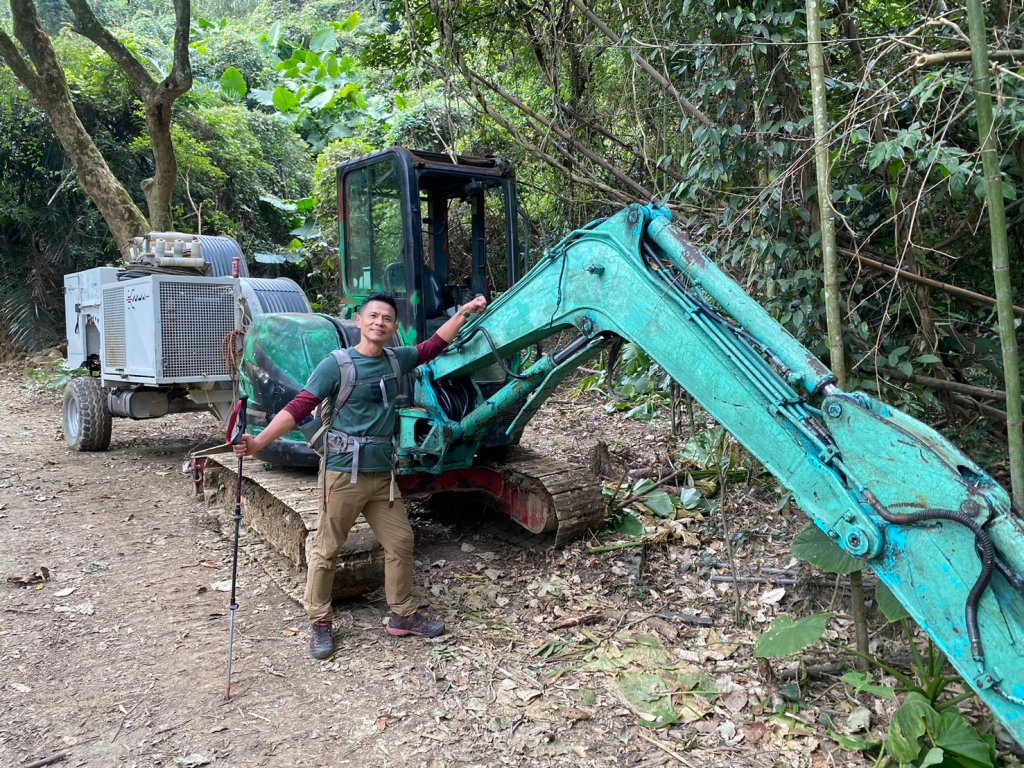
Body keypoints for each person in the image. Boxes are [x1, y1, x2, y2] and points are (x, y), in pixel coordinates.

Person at [233, 292, 487, 659]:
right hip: (341, 475)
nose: (379, 322)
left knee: (400, 543)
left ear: (393, 327)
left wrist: (464, 312)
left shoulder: (396, 360)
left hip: (381, 476)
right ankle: (319, 622)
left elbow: (434, 345)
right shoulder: (335, 365)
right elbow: (298, 407)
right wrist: (257, 443)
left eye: (387, 318)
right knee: (327, 550)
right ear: (360, 321)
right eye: (373, 316)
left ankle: (402, 615)